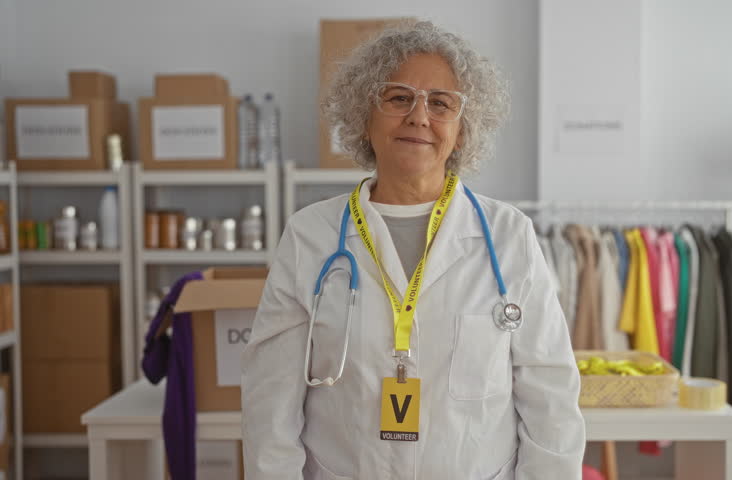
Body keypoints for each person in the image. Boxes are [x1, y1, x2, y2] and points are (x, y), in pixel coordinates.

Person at [241, 20, 585, 479]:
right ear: (364, 115)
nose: (419, 117)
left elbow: (550, 397)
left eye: (441, 103)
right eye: (398, 97)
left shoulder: (509, 236)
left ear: (463, 130)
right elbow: (271, 402)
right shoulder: (311, 235)